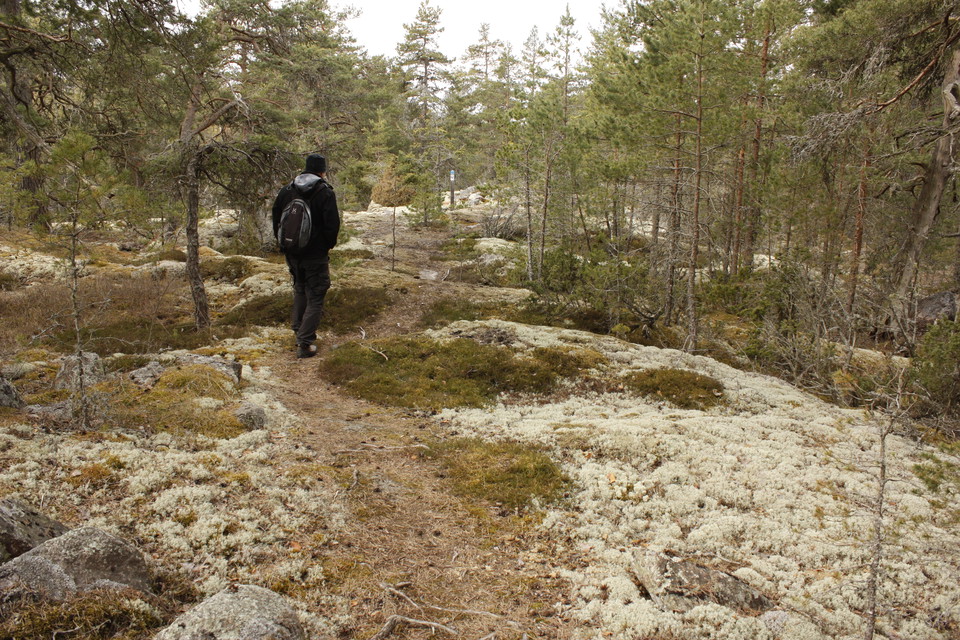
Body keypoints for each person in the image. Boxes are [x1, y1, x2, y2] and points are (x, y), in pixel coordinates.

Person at [272, 153, 340, 358]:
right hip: (315, 254)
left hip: (292, 252)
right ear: (322, 171)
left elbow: (276, 219)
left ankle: (298, 330)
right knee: (316, 295)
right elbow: (332, 226)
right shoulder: (325, 192)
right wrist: (326, 246)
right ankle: (305, 343)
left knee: (300, 289)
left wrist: (285, 245)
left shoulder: (287, 190)